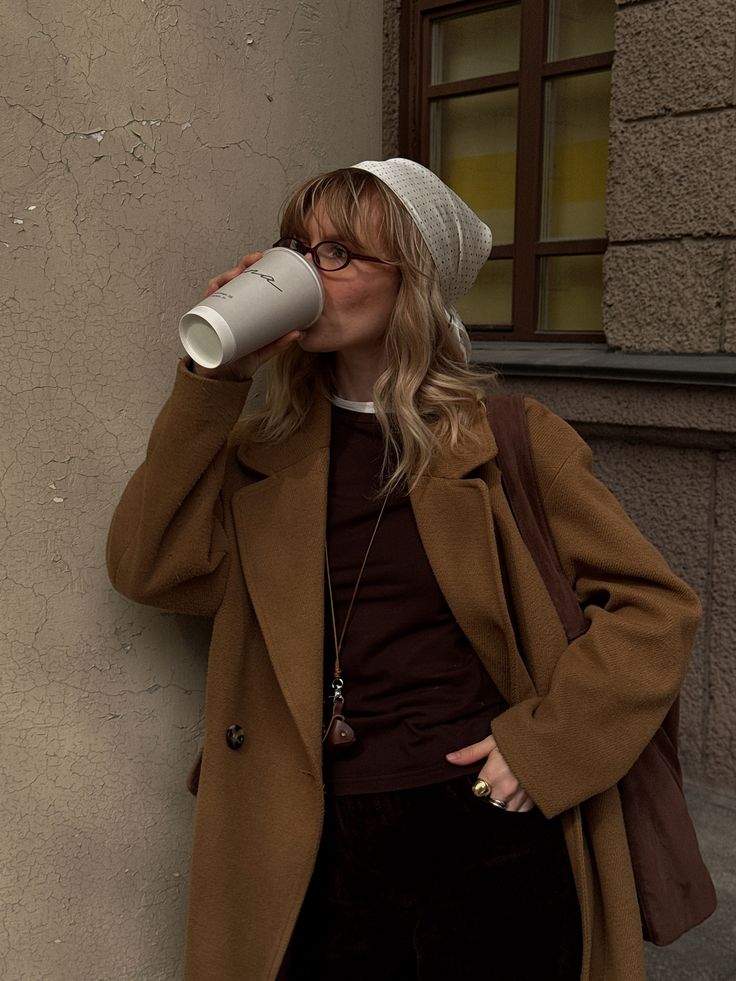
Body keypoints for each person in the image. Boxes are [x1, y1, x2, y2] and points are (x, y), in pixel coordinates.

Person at [106, 158, 702, 981]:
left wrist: (542, 752)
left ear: (412, 284)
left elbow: (655, 608)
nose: (305, 269)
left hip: (487, 830)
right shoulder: (262, 455)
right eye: (296, 246)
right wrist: (216, 381)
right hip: (312, 839)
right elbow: (150, 567)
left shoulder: (510, 439)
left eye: (338, 252)